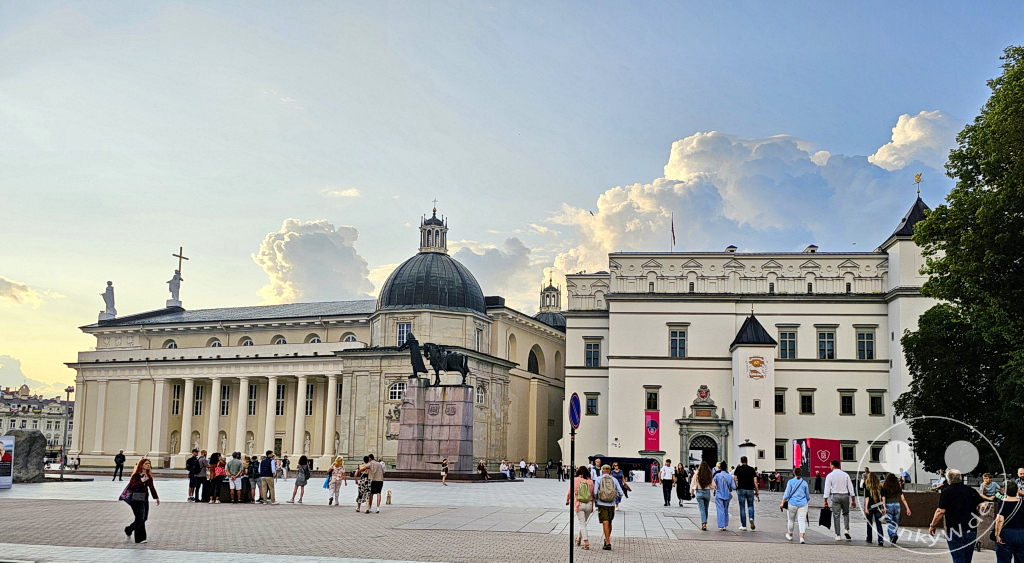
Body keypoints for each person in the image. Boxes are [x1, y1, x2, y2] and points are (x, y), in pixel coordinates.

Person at [929, 469, 985, 563]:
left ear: (948, 480)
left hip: (954, 530)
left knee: (958, 559)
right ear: (961, 478)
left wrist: (933, 525)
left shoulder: (947, 492)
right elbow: (983, 506)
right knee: (967, 560)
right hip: (970, 530)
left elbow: (940, 511)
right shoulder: (971, 490)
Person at [123, 458, 160, 544]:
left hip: (144, 498)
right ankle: (140, 538)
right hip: (136, 498)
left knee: (144, 518)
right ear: (142, 465)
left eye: (149, 464)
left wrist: (156, 497)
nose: (148, 465)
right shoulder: (136, 475)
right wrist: (141, 481)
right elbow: (132, 486)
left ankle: (129, 529)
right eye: (146, 463)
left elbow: (151, 487)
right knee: (139, 517)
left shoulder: (149, 476)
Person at [823, 459, 857, 541]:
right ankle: (846, 529)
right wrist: (853, 499)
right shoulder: (845, 475)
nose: (830, 467)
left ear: (833, 466)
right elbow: (850, 487)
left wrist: (825, 500)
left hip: (835, 496)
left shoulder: (830, 475)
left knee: (836, 515)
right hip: (845, 495)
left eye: (830, 465)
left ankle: (838, 535)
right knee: (846, 513)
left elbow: (827, 489)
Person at [595, 464, 625, 551]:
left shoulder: (598, 479)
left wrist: (597, 500)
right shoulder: (614, 479)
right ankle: (607, 539)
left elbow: (595, 492)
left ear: (602, 471)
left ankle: (607, 542)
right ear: (609, 471)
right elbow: (621, 492)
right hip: (611, 504)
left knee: (605, 522)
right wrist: (614, 497)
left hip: (602, 503)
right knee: (609, 522)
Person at [566, 466, 595, 550]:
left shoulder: (575, 480)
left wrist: (567, 500)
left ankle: (586, 542)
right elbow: (592, 494)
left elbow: (569, 491)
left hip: (579, 503)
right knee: (583, 523)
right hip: (589, 504)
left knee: (582, 523)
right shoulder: (590, 482)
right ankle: (579, 539)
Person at [995, 481, 1024, 562]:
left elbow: (999, 520)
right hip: (1022, 533)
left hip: (1006, 534)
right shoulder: (1022, 502)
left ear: (1005, 490)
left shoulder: (1002, 502)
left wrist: (997, 534)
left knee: (1003, 559)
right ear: (1017, 490)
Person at [781, 467, 810, 543]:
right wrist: (805, 501)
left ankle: (790, 535)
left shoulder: (790, 482)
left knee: (791, 520)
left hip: (792, 503)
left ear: (794, 473)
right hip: (803, 504)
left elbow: (787, 494)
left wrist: (782, 502)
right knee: (802, 520)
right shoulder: (804, 483)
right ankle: (801, 538)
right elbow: (807, 496)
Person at [882, 472, 912, 544]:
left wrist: (884, 507)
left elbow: (883, 498)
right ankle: (894, 534)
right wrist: (907, 508)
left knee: (889, 522)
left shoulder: (884, 486)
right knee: (896, 522)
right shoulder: (897, 486)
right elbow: (903, 498)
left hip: (888, 505)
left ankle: (893, 535)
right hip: (897, 504)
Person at [734, 456, 759, 531]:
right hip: (750, 489)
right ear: (747, 461)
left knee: (742, 507)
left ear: (741, 461)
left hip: (741, 489)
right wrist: (757, 491)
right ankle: (751, 518)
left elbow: (734, 479)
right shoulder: (751, 469)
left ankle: (744, 525)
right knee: (750, 505)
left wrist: (736, 486)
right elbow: (755, 480)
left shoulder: (738, 469)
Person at [712, 461, 735, 531]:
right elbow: (734, 486)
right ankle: (725, 524)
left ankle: (721, 525)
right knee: (725, 509)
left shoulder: (717, 475)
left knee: (720, 509)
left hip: (719, 494)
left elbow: (713, 484)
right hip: (727, 495)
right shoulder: (729, 476)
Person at [863, 472, 885, 546]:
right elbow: (883, 498)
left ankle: (869, 538)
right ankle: (880, 539)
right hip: (878, 507)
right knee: (879, 524)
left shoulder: (867, 487)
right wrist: (883, 507)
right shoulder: (880, 487)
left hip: (870, 507)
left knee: (869, 524)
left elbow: (867, 498)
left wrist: (866, 508)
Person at [691, 461, 713, 531]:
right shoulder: (709, 474)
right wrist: (715, 488)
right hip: (707, 492)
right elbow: (713, 484)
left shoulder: (697, 474)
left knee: (701, 509)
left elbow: (693, 483)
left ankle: (703, 523)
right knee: (706, 508)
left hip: (699, 491)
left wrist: (692, 492)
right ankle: (705, 523)